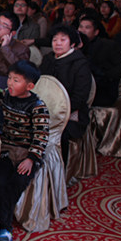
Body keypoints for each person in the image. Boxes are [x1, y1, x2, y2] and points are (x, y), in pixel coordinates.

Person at [0, 60, 49, 241]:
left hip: (27, 153)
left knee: (16, 183)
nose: (10, 83)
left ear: (29, 86)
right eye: (9, 78)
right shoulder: (6, 96)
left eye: (16, 80)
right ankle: (4, 228)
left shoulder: (37, 107)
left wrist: (31, 159)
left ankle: (0, 223)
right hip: (7, 149)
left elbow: (41, 137)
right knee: (1, 181)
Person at [39, 25, 93, 164]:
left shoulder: (80, 64)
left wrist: (58, 111)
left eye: (63, 40)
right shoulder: (48, 59)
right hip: (45, 109)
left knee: (58, 134)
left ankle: (59, 168)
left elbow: (80, 97)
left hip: (70, 112)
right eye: (55, 40)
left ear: (72, 43)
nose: (58, 43)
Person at [78, 15, 121, 107]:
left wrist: (104, 75)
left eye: (87, 27)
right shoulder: (74, 45)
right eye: (80, 27)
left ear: (96, 32)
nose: (82, 30)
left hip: (102, 89)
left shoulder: (108, 45)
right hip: (81, 88)